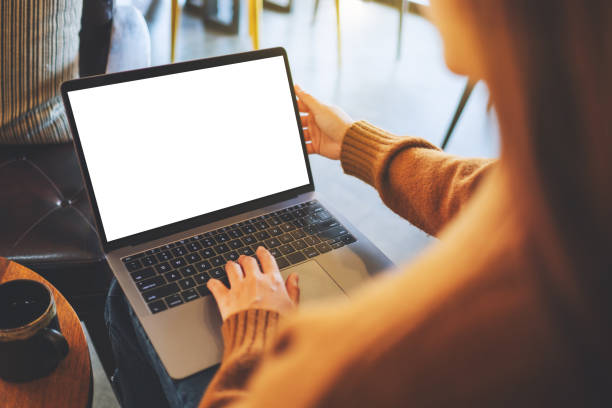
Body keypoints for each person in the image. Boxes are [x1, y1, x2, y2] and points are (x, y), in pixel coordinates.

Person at [106, 0, 612, 406]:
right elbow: (488, 189)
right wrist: (352, 140)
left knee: (123, 300)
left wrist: (255, 335)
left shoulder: (367, 365)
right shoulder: (575, 187)